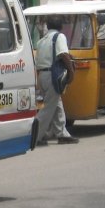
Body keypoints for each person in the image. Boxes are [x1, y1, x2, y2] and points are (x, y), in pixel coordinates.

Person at [35, 16, 79, 145]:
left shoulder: (41, 41)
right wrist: (71, 72)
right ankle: (35, 136)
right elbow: (63, 55)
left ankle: (62, 134)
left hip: (42, 75)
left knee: (57, 105)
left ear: (48, 26)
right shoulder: (59, 37)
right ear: (61, 27)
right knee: (48, 108)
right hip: (53, 75)